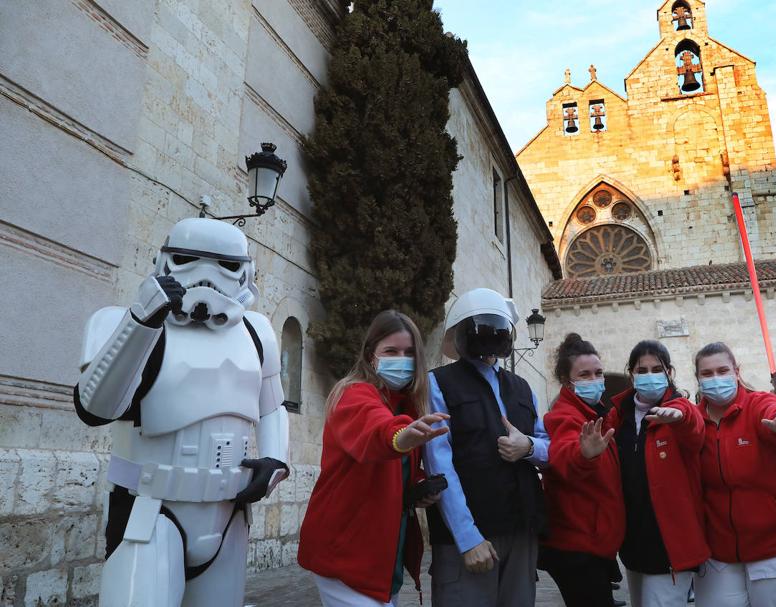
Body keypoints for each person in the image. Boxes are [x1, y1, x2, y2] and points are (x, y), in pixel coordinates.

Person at [74, 218, 290, 607]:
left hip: (227, 516)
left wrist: (276, 461)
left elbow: (273, 407)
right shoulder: (118, 322)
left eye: (225, 265)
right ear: (164, 260)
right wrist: (140, 322)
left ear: (246, 273)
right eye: (188, 259)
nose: (205, 276)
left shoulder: (258, 333)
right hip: (150, 513)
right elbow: (95, 408)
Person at [298, 310, 450, 606]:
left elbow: (392, 468)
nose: (401, 359)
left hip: (379, 557)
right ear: (371, 356)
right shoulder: (354, 395)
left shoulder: (404, 404)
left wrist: (418, 485)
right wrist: (400, 436)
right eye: (391, 351)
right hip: (345, 554)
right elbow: (377, 431)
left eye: (409, 353)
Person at [424, 288, 549, 607]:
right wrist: (467, 539)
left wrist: (529, 446)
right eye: (480, 328)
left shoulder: (522, 387)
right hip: (469, 539)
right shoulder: (438, 382)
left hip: (521, 533)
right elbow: (440, 464)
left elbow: (548, 446)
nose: (489, 336)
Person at [693, 342, 776, 607]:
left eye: (722, 370)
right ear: (697, 378)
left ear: (736, 371)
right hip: (720, 553)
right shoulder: (694, 422)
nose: (716, 378)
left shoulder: (757, 404)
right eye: (707, 373)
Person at [610, 340, 709, 607]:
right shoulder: (620, 416)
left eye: (657, 369)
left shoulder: (679, 410)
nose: (649, 375)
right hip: (633, 544)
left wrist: (679, 417)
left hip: (670, 547)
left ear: (670, 372)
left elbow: (694, 427)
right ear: (631, 374)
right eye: (642, 370)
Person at [538, 333, 624, 607]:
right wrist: (583, 455)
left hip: (595, 544)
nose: (595, 379)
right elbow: (562, 453)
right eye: (584, 375)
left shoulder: (595, 414)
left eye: (598, 373)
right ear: (567, 381)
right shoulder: (564, 415)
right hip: (576, 547)